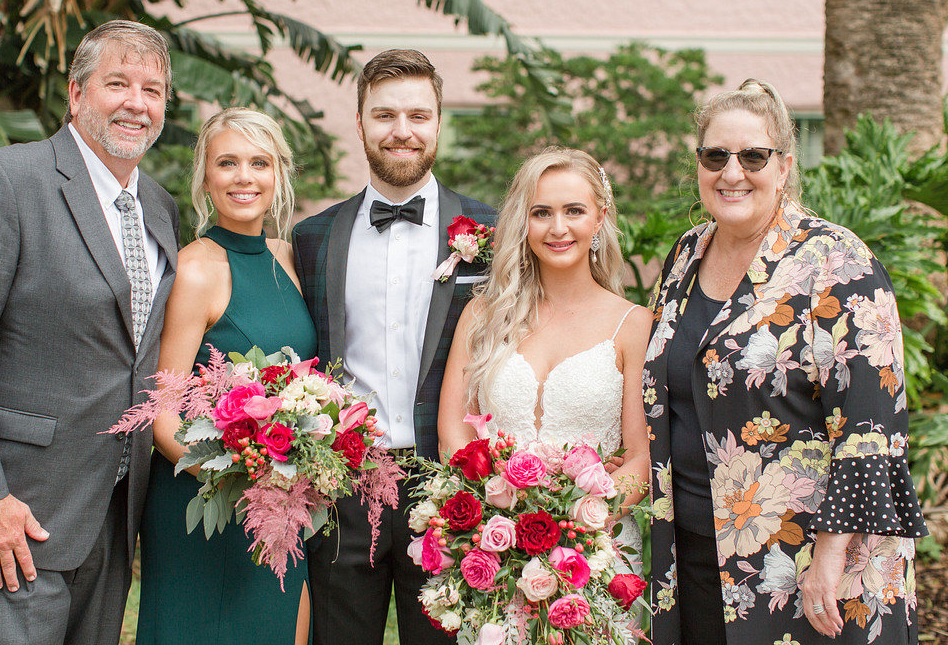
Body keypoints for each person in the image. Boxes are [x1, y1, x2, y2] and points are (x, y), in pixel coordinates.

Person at [0, 20, 179, 644]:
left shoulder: (158, 208)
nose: (138, 102)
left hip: (106, 528)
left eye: (153, 89)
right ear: (77, 96)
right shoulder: (1, 180)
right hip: (3, 523)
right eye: (118, 83)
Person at [644, 78, 928, 644]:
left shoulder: (837, 260)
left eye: (753, 155)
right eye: (715, 155)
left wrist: (828, 557)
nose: (732, 171)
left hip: (809, 561)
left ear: (784, 165)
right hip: (697, 555)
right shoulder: (684, 255)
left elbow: (871, 426)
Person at [293, 49, 496, 645]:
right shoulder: (313, 238)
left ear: (439, 122)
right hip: (343, 485)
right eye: (384, 116)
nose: (401, 131)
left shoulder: (494, 231)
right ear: (359, 124)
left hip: (452, 485)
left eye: (417, 115)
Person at [138, 107, 316, 645]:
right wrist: (239, 479)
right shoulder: (196, 268)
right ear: (205, 176)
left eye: (259, 162)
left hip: (284, 503)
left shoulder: (288, 259)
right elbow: (162, 415)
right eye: (228, 163)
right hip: (211, 503)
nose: (244, 177)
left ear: (279, 173)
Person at [437, 147, 651, 574]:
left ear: (600, 217)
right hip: (493, 547)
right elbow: (453, 431)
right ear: (524, 221)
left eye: (574, 210)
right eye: (541, 213)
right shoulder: (481, 316)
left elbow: (641, 459)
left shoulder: (633, 325)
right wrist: (496, 518)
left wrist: (579, 523)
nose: (558, 228)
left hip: (596, 550)